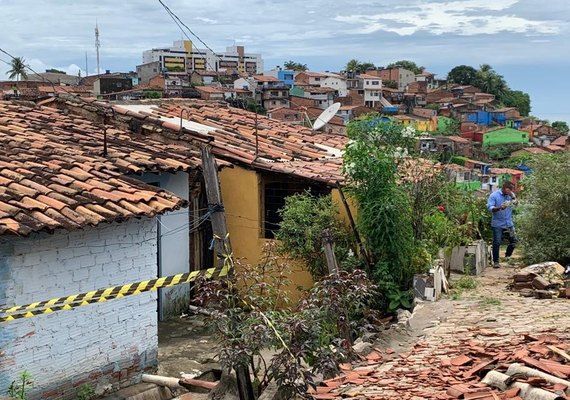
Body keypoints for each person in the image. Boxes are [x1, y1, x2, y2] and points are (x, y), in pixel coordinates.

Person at [487, 181, 518, 268]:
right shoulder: (494, 195)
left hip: (509, 223)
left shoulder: (511, 195)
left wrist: (513, 198)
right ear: (504, 188)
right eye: (509, 190)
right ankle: (496, 261)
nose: (510, 192)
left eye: (511, 190)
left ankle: (507, 256)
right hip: (497, 223)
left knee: (514, 241)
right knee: (497, 242)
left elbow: (516, 205)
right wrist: (500, 207)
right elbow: (490, 208)